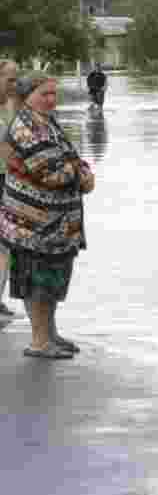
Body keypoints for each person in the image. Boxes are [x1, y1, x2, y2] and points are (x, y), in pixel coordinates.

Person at [0, 73, 93, 358]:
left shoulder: (44, 120)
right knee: (37, 282)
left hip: (54, 225)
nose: (52, 99)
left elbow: (69, 156)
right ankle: (40, 341)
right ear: (28, 95)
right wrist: (82, 176)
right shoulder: (26, 126)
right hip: (33, 225)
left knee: (52, 280)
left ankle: (49, 334)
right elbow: (50, 173)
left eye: (54, 93)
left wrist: (81, 169)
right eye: (45, 94)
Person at [0, 59, 18, 318]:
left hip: (9, 179)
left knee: (6, 245)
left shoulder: (9, 107)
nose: (15, 85)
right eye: (10, 80)